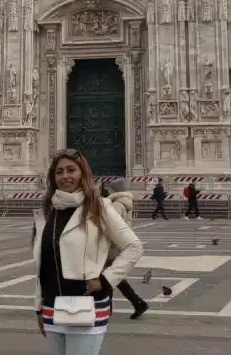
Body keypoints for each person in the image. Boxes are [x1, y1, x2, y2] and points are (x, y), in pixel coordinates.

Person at [33, 149, 142, 354]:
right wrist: (38, 308)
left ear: (83, 173)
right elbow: (43, 266)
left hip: (86, 306)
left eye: (71, 170)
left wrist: (105, 280)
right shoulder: (46, 213)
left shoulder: (99, 207)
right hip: (52, 308)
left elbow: (133, 246)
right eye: (59, 172)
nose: (65, 176)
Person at [102, 178, 148, 320]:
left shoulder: (117, 204)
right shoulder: (125, 201)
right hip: (118, 244)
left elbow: (111, 226)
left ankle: (109, 307)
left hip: (112, 245)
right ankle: (137, 303)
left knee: (106, 276)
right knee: (113, 276)